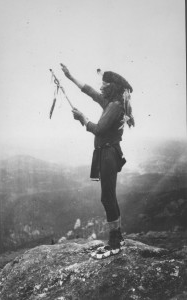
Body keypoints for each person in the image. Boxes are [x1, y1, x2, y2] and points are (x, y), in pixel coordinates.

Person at [61, 63, 134, 259]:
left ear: (111, 87)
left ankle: (115, 242)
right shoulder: (113, 103)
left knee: (107, 197)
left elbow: (100, 129)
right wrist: (70, 77)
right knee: (110, 195)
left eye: (104, 84)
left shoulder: (115, 106)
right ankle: (117, 236)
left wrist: (83, 119)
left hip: (108, 155)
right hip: (109, 153)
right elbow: (91, 92)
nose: (101, 87)